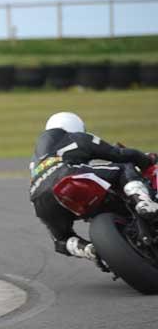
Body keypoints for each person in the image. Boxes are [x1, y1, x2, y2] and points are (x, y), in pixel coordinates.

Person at [29, 112, 157, 263]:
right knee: (123, 167)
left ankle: (87, 249)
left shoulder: (35, 159)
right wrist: (147, 159)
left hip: (39, 200)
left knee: (61, 238)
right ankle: (142, 202)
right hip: (68, 175)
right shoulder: (75, 137)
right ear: (75, 127)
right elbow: (118, 154)